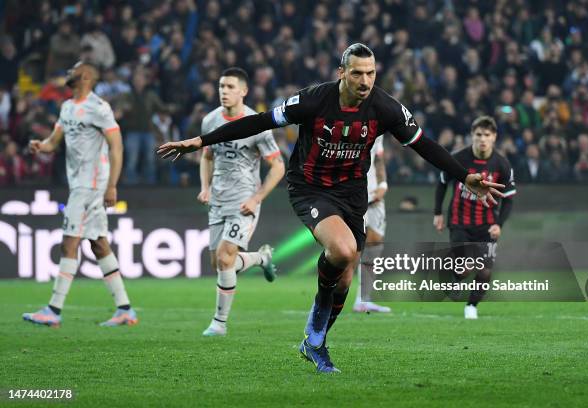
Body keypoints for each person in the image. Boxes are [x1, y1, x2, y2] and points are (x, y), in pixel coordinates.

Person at [157, 44, 504, 373]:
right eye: (357, 73)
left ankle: (315, 340)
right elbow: (260, 120)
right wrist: (202, 141)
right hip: (310, 188)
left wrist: (463, 176)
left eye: (370, 73)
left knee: (346, 275)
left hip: (352, 193)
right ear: (342, 72)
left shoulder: (386, 108)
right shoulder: (314, 100)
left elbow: (424, 145)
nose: (365, 81)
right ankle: (315, 331)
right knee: (342, 249)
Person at [23, 62, 137, 328]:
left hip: (91, 185)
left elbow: (116, 146)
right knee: (98, 244)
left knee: (69, 243)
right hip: (79, 184)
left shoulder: (99, 108)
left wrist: (112, 185)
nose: (67, 72)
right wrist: (41, 146)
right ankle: (125, 309)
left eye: (72, 70)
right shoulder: (67, 107)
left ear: (85, 76)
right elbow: (54, 141)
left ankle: (53, 309)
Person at [197, 67, 285, 336]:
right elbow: (207, 157)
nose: (224, 91)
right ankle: (261, 258)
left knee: (225, 258)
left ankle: (219, 323)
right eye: (221, 86)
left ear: (244, 91)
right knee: (219, 263)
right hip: (218, 200)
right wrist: (205, 187)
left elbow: (278, 166)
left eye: (230, 87)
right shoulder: (210, 120)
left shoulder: (257, 124)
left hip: (244, 201)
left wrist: (257, 198)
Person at [433, 115, 516, 319]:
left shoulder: (502, 164)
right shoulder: (458, 158)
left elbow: (509, 198)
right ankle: (455, 277)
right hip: (460, 222)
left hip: (486, 224)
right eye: (478, 134)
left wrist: (499, 224)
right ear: (472, 135)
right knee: (465, 266)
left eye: (487, 135)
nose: (482, 139)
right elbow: (442, 182)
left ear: (494, 137)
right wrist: (437, 212)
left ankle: (471, 306)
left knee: (485, 271)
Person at [352, 135, 391, 313]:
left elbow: (379, 159)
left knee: (374, 244)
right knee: (347, 248)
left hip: (374, 194)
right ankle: (329, 297)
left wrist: (383, 184)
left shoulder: (378, 129)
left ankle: (363, 299)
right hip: (349, 194)